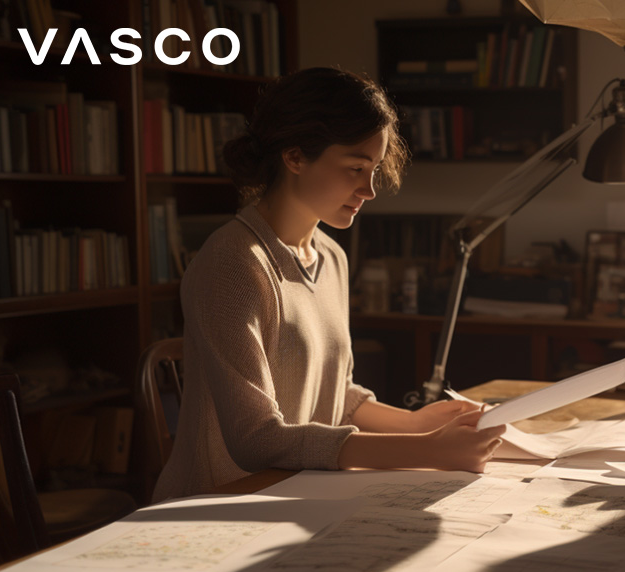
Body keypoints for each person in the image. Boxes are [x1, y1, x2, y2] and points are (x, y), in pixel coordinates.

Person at [153, 67, 505, 502]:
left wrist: (420, 423)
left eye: (374, 169)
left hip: (298, 493)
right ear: (295, 156)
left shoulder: (332, 258)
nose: (369, 190)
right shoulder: (232, 264)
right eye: (355, 168)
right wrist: (426, 449)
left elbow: (333, 393)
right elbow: (255, 440)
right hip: (215, 508)